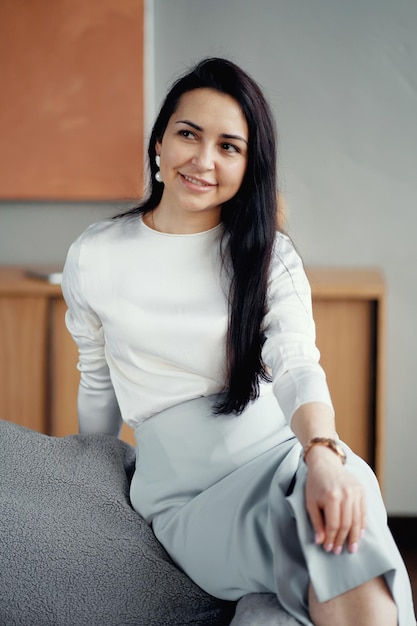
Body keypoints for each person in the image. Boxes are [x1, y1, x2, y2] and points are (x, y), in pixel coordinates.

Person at [61, 57, 416, 626]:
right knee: (323, 535)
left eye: (229, 146)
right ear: (158, 143)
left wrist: (322, 454)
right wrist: (85, 489)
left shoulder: (268, 256)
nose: (203, 160)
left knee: (341, 507)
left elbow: (297, 361)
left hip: (285, 456)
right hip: (188, 499)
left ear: (249, 164)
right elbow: (96, 380)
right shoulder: (95, 254)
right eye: (188, 135)